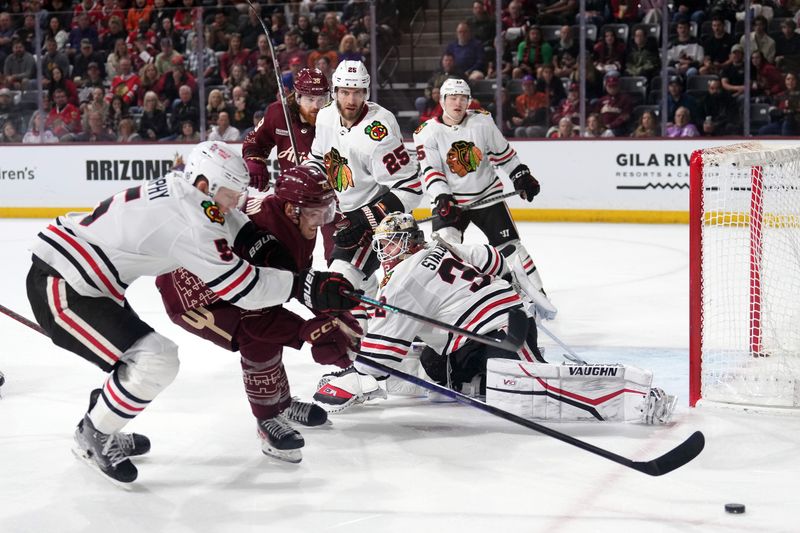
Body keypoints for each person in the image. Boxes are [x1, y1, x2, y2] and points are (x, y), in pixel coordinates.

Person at [25, 141, 358, 483]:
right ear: (205, 185)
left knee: (139, 361)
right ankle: (94, 433)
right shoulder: (193, 223)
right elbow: (244, 289)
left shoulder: (184, 191)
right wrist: (302, 286)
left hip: (85, 281)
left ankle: (102, 422)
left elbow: (231, 220)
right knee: (155, 359)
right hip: (64, 288)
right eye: (230, 194)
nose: (234, 203)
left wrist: (260, 243)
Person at [155, 165, 357, 462]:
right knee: (258, 338)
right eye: (316, 212)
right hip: (194, 296)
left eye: (325, 211)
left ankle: (283, 405)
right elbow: (256, 312)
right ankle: (266, 420)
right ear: (292, 209)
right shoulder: (266, 230)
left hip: (239, 286)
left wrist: (332, 312)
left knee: (270, 323)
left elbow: (295, 278)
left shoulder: (299, 221)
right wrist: (309, 332)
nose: (321, 220)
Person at [313, 212, 544, 411]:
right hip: (483, 334)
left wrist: (355, 375)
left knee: (532, 388)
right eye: (382, 245)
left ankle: (525, 375)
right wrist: (506, 277)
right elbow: (489, 256)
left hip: (502, 331)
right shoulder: (439, 245)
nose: (385, 252)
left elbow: (378, 358)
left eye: (391, 243)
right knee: (434, 364)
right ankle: (480, 378)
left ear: (411, 242)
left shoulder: (402, 283)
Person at [412, 78, 556, 316]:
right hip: (451, 202)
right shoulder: (426, 132)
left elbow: (505, 155)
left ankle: (537, 294)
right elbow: (432, 170)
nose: (458, 103)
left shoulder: (482, 121)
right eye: (452, 98)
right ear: (442, 100)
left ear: (469, 101)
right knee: (443, 251)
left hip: (487, 196)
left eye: (462, 98)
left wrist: (521, 176)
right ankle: (449, 303)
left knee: (511, 248)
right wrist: (442, 198)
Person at [305, 60, 422, 330]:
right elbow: (317, 160)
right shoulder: (324, 116)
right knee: (365, 283)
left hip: (382, 221)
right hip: (346, 214)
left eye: (358, 92)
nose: (351, 99)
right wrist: (306, 183)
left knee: (340, 279)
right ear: (334, 91)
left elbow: (411, 188)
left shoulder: (378, 130)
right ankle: (372, 337)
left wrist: (364, 218)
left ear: (367, 92)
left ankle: (373, 339)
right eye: (345, 91)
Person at [242, 67, 330, 190]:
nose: (316, 106)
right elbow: (255, 141)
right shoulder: (279, 113)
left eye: (321, 99)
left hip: (328, 196)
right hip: (290, 194)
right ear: (298, 97)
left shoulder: (335, 119)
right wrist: (254, 161)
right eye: (310, 99)